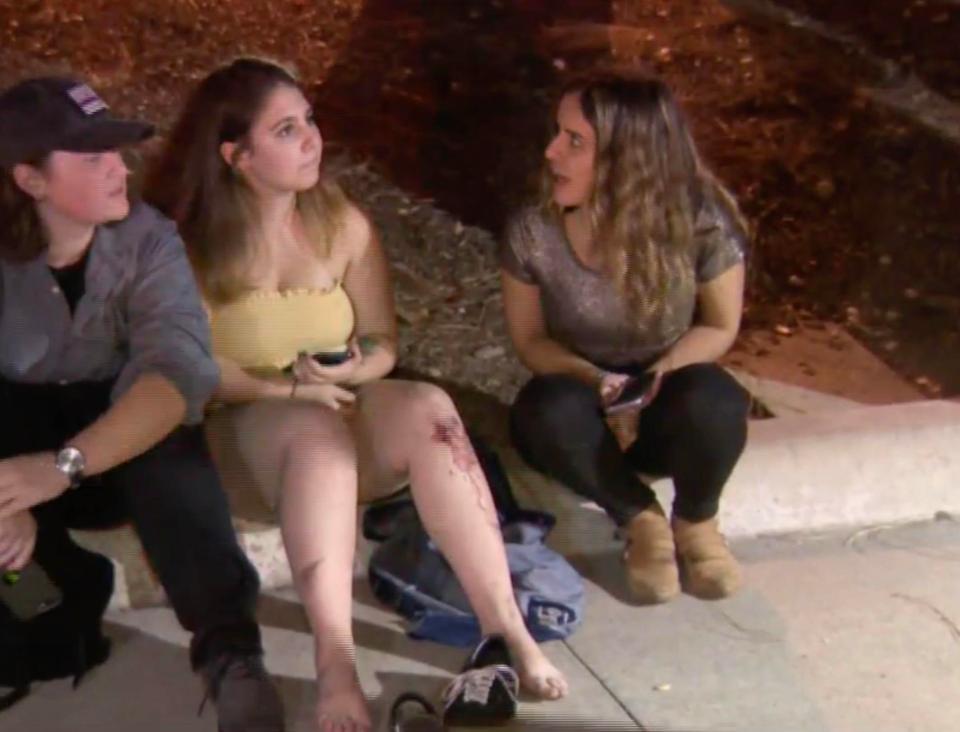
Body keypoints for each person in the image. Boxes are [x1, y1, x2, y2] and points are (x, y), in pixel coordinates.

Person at [145, 57, 568, 732]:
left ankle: (506, 629)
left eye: (309, 120)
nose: (312, 138)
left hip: (334, 412)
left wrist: (349, 369)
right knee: (314, 435)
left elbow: (382, 343)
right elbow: (185, 367)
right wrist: (286, 388)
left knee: (430, 409)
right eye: (287, 130)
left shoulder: (338, 221)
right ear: (237, 155)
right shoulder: (185, 242)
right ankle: (335, 664)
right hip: (243, 433)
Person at [0, 78, 285, 730]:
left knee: (168, 440)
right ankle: (62, 583)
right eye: (93, 158)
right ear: (31, 180)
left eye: (117, 153)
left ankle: (230, 654)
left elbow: (176, 374)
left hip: (109, 452)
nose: (118, 170)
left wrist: (62, 466)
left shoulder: (148, 240)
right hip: (11, 447)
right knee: (37, 625)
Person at [501, 71, 751, 605]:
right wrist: (601, 383)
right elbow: (530, 341)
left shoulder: (701, 223)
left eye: (575, 142)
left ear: (629, 157)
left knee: (718, 398)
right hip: (582, 405)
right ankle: (641, 521)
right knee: (543, 408)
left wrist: (655, 380)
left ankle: (697, 522)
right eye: (557, 133)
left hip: (667, 397)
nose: (551, 152)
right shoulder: (532, 232)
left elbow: (719, 325)